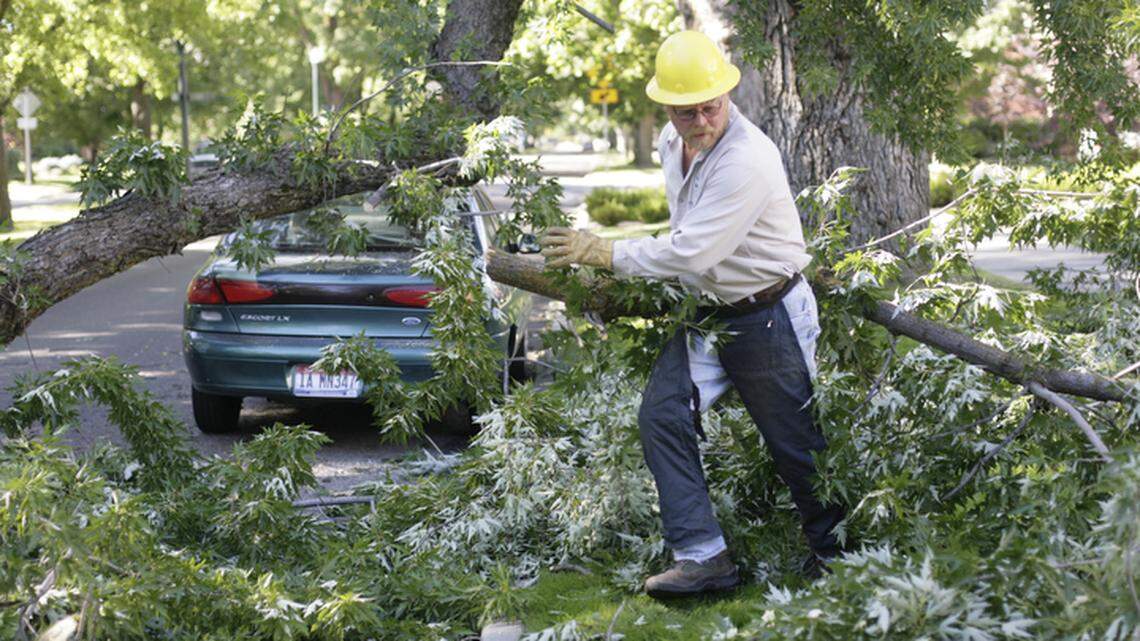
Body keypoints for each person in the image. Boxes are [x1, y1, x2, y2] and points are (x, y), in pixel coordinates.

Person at [539, 30, 846, 598]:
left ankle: (839, 558)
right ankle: (705, 559)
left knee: (796, 443)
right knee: (662, 415)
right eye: (687, 112)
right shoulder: (668, 143)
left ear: (727, 95)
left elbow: (695, 249)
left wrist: (607, 251)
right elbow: (688, 236)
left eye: (712, 106)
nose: (702, 120)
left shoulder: (747, 159)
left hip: (768, 312)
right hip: (709, 313)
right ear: (667, 108)